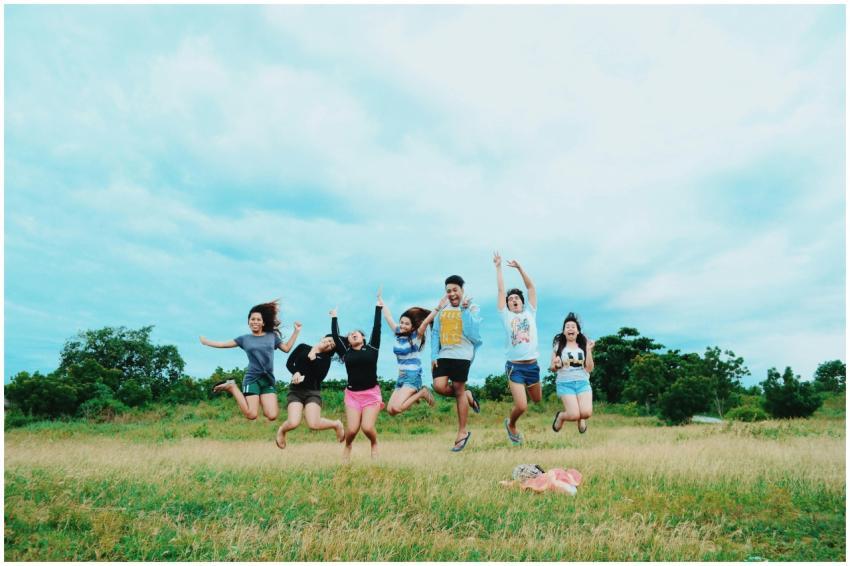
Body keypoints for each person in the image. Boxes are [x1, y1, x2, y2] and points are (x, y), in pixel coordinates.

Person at [200, 300, 299, 421]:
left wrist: (296, 331)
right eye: (252, 319)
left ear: (263, 323)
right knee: (252, 415)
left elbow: (287, 348)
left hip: (268, 379)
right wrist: (206, 342)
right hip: (252, 379)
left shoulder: (272, 337)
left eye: (258, 319)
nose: (255, 322)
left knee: (272, 415)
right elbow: (222, 344)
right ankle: (232, 387)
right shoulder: (244, 339)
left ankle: (254, 396)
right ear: (248, 322)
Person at [430, 275, 482, 452]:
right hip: (444, 354)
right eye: (448, 291)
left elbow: (473, 333)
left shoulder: (472, 307)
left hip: (462, 355)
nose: (452, 294)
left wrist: (465, 310)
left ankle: (462, 432)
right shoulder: (442, 310)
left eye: (455, 290)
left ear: (462, 290)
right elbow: (435, 332)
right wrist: (433, 355)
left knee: (458, 389)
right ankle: (467, 396)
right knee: (438, 386)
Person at [494, 252, 540, 445]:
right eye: (510, 299)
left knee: (537, 400)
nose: (513, 300)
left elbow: (531, 287)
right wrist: (498, 267)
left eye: (516, 298)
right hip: (515, 367)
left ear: (522, 302)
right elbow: (500, 291)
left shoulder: (530, 312)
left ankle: (513, 421)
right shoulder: (506, 316)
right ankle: (511, 424)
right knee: (522, 406)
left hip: (533, 366)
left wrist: (520, 268)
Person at [330, 296, 383, 461]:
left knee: (367, 427)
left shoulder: (372, 348)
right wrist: (334, 317)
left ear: (363, 338)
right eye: (351, 334)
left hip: (371, 394)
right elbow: (335, 335)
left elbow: (377, 327)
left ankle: (374, 443)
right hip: (352, 395)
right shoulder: (346, 353)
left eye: (357, 333)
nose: (353, 334)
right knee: (352, 430)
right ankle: (348, 445)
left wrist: (378, 308)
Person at [274, 334, 346, 449]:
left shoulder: (326, 359)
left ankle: (336, 424)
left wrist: (313, 358)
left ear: (331, 350)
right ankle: (282, 430)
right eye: (329, 340)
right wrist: (296, 372)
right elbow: (289, 363)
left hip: (313, 392)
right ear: (323, 338)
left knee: (314, 424)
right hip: (295, 391)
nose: (329, 343)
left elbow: (319, 377)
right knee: (293, 422)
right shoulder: (303, 347)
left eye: (332, 345)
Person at [379, 291, 440, 416]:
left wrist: (438, 307)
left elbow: (425, 322)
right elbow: (388, 317)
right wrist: (380, 300)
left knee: (397, 408)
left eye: (407, 324)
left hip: (412, 376)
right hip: (401, 376)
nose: (402, 325)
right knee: (391, 410)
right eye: (401, 322)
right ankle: (418, 394)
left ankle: (422, 393)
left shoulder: (415, 337)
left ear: (412, 327)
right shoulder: (397, 332)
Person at [550, 312, 595, 434]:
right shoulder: (558, 346)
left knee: (586, 413)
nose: (570, 329)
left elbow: (589, 368)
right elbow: (553, 368)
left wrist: (589, 350)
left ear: (578, 331)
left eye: (573, 327)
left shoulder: (583, 346)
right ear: (564, 331)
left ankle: (581, 418)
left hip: (582, 383)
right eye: (567, 327)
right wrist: (557, 364)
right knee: (574, 414)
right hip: (565, 384)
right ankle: (561, 416)